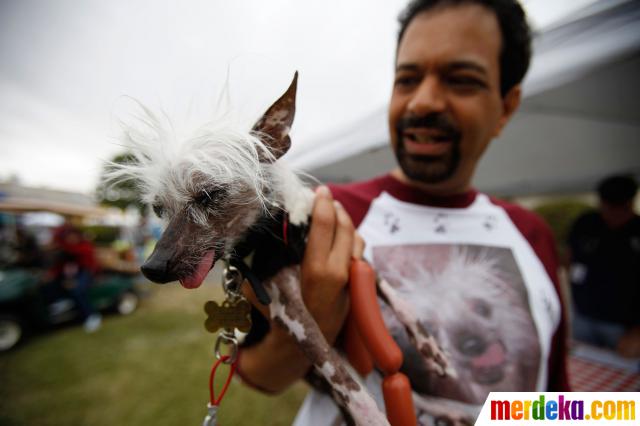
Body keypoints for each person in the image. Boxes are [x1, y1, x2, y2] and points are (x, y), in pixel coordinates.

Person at [238, 0, 569, 422]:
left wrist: (614, 412)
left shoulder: (531, 232)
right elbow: (257, 374)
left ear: (506, 106)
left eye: (461, 80)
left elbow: (556, 397)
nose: (423, 102)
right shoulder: (322, 215)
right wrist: (310, 322)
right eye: (407, 79)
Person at [569, 175, 640, 357]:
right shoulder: (587, 223)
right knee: (584, 364)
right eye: (607, 208)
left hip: (624, 325)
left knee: (624, 373)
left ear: (630, 204)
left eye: (619, 210)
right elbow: (570, 257)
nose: (612, 215)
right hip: (584, 316)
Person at [49, 222, 102, 332]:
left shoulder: (83, 246)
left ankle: (91, 315)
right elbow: (59, 266)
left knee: (78, 290)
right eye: (68, 237)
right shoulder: (64, 249)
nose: (71, 239)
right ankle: (62, 304)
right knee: (52, 284)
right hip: (70, 274)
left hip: (85, 273)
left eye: (73, 236)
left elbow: (88, 264)